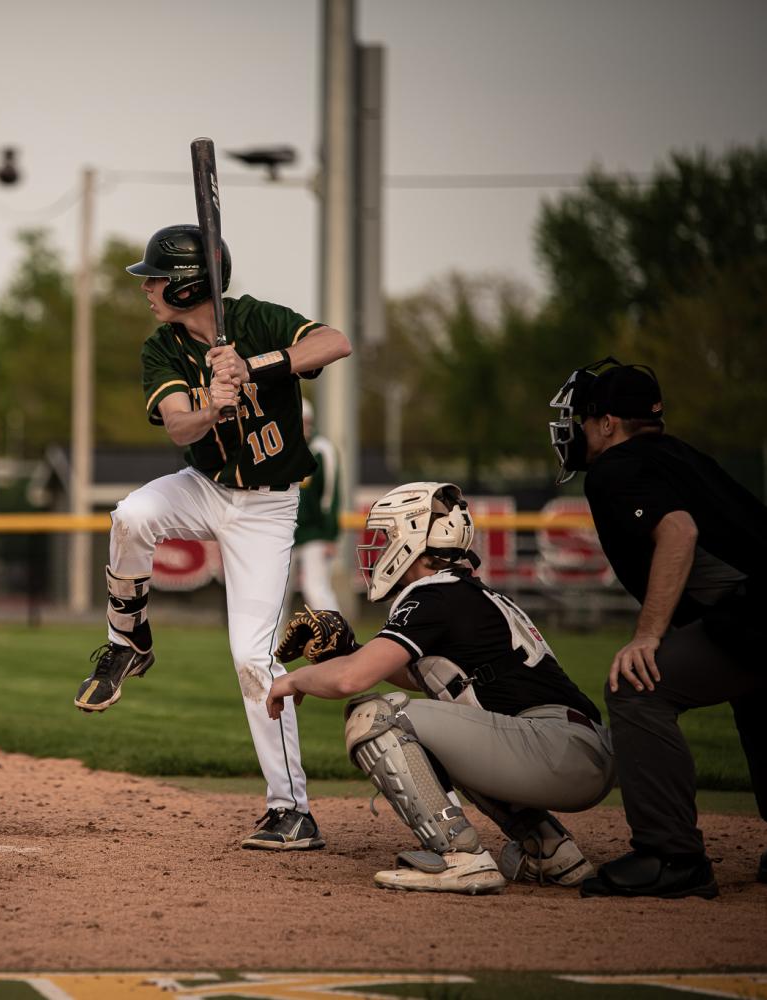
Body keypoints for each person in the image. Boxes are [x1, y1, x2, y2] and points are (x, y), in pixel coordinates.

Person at [72, 223, 352, 851]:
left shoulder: (256, 320)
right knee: (131, 516)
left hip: (268, 511)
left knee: (253, 659)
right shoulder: (163, 347)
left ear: (190, 282)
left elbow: (336, 343)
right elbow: (177, 428)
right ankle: (127, 640)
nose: (147, 289)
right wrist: (213, 408)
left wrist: (255, 365)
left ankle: (292, 811)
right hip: (206, 487)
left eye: (156, 278)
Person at [266, 482, 616, 894]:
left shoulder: (433, 596)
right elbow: (423, 678)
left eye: (388, 536)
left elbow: (351, 680)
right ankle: (551, 849)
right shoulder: (462, 592)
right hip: (574, 749)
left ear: (413, 539)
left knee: (375, 717)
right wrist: (349, 649)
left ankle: (460, 856)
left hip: (556, 748)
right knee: (446, 730)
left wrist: (289, 679)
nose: (380, 550)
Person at [548, 358, 767, 898]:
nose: (577, 430)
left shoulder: (616, 467)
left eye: (584, 419)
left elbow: (678, 531)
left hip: (755, 613)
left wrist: (648, 636)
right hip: (752, 615)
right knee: (754, 692)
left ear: (607, 424)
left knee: (638, 686)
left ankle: (672, 857)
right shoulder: (684, 456)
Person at [288, 398, 343, 613]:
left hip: (314, 533)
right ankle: (271, 646)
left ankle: (336, 639)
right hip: (284, 531)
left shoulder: (322, 450)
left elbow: (330, 495)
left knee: (316, 589)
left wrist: (330, 535)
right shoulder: (281, 448)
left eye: (307, 422)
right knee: (277, 592)